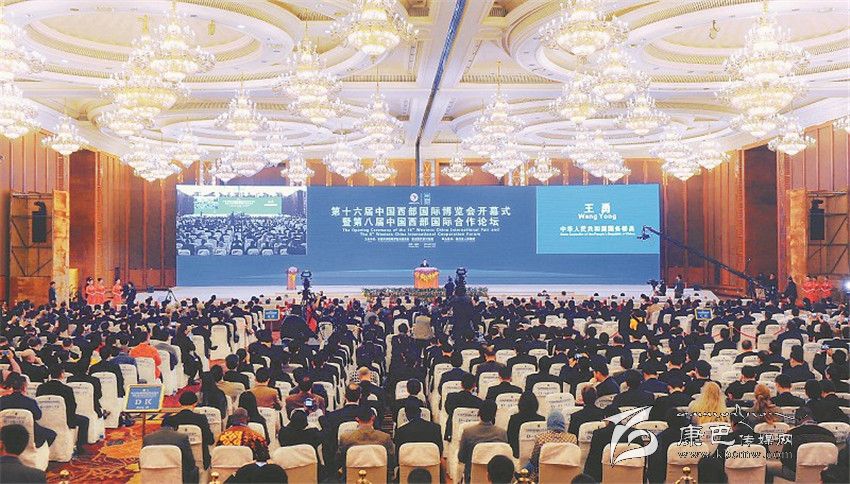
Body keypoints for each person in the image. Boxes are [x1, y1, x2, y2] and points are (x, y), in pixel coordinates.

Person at [769, 406, 837, 482]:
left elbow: (784, 459)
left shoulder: (791, 434)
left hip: (796, 473)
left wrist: (801, 468)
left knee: (767, 467)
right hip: (825, 474)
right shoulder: (829, 434)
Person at [36, 365, 89, 454]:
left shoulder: (41, 387)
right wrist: (70, 420)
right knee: (85, 420)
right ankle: (80, 446)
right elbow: (72, 406)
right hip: (64, 418)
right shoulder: (67, 389)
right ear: (62, 374)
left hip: (44, 418)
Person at [0, 373, 56, 448]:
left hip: (5, 432)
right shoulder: (30, 402)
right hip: (28, 432)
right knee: (52, 434)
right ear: (24, 387)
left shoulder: (2, 400)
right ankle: (36, 450)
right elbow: (38, 416)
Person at [336, 405, 394, 476]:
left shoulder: (346, 438)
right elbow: (391, 461)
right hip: (379, 477)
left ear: (357, 419)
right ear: (373, 417)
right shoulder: (385, 438)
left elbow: (339, 460)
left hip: (353, 477)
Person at [458, 400, 507, 483]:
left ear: (479, 413)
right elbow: (504, 457)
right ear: (494, 415)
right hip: (497, 477)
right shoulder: (502, 433)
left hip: (472, 477)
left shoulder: (468, 432)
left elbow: (461, 458)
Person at [162, 392, 214, 469]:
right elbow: (210, 440)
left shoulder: (169, 420)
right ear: (195, 403)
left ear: (179, 403)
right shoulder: (201, 419)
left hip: (176, 461)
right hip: (202, 461)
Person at [524, 410, 577, 481]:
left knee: (531, 463)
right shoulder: (572, 438)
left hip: (544, 477)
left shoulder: (541, 438)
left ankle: (522, 476)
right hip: (567, 476)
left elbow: (534, 460)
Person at [507, 391, 545, 457]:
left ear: (520, 404)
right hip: (538, 455)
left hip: (517, 455)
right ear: (536, 404)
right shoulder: (541, 419)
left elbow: (510, 439)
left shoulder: (514, 419)